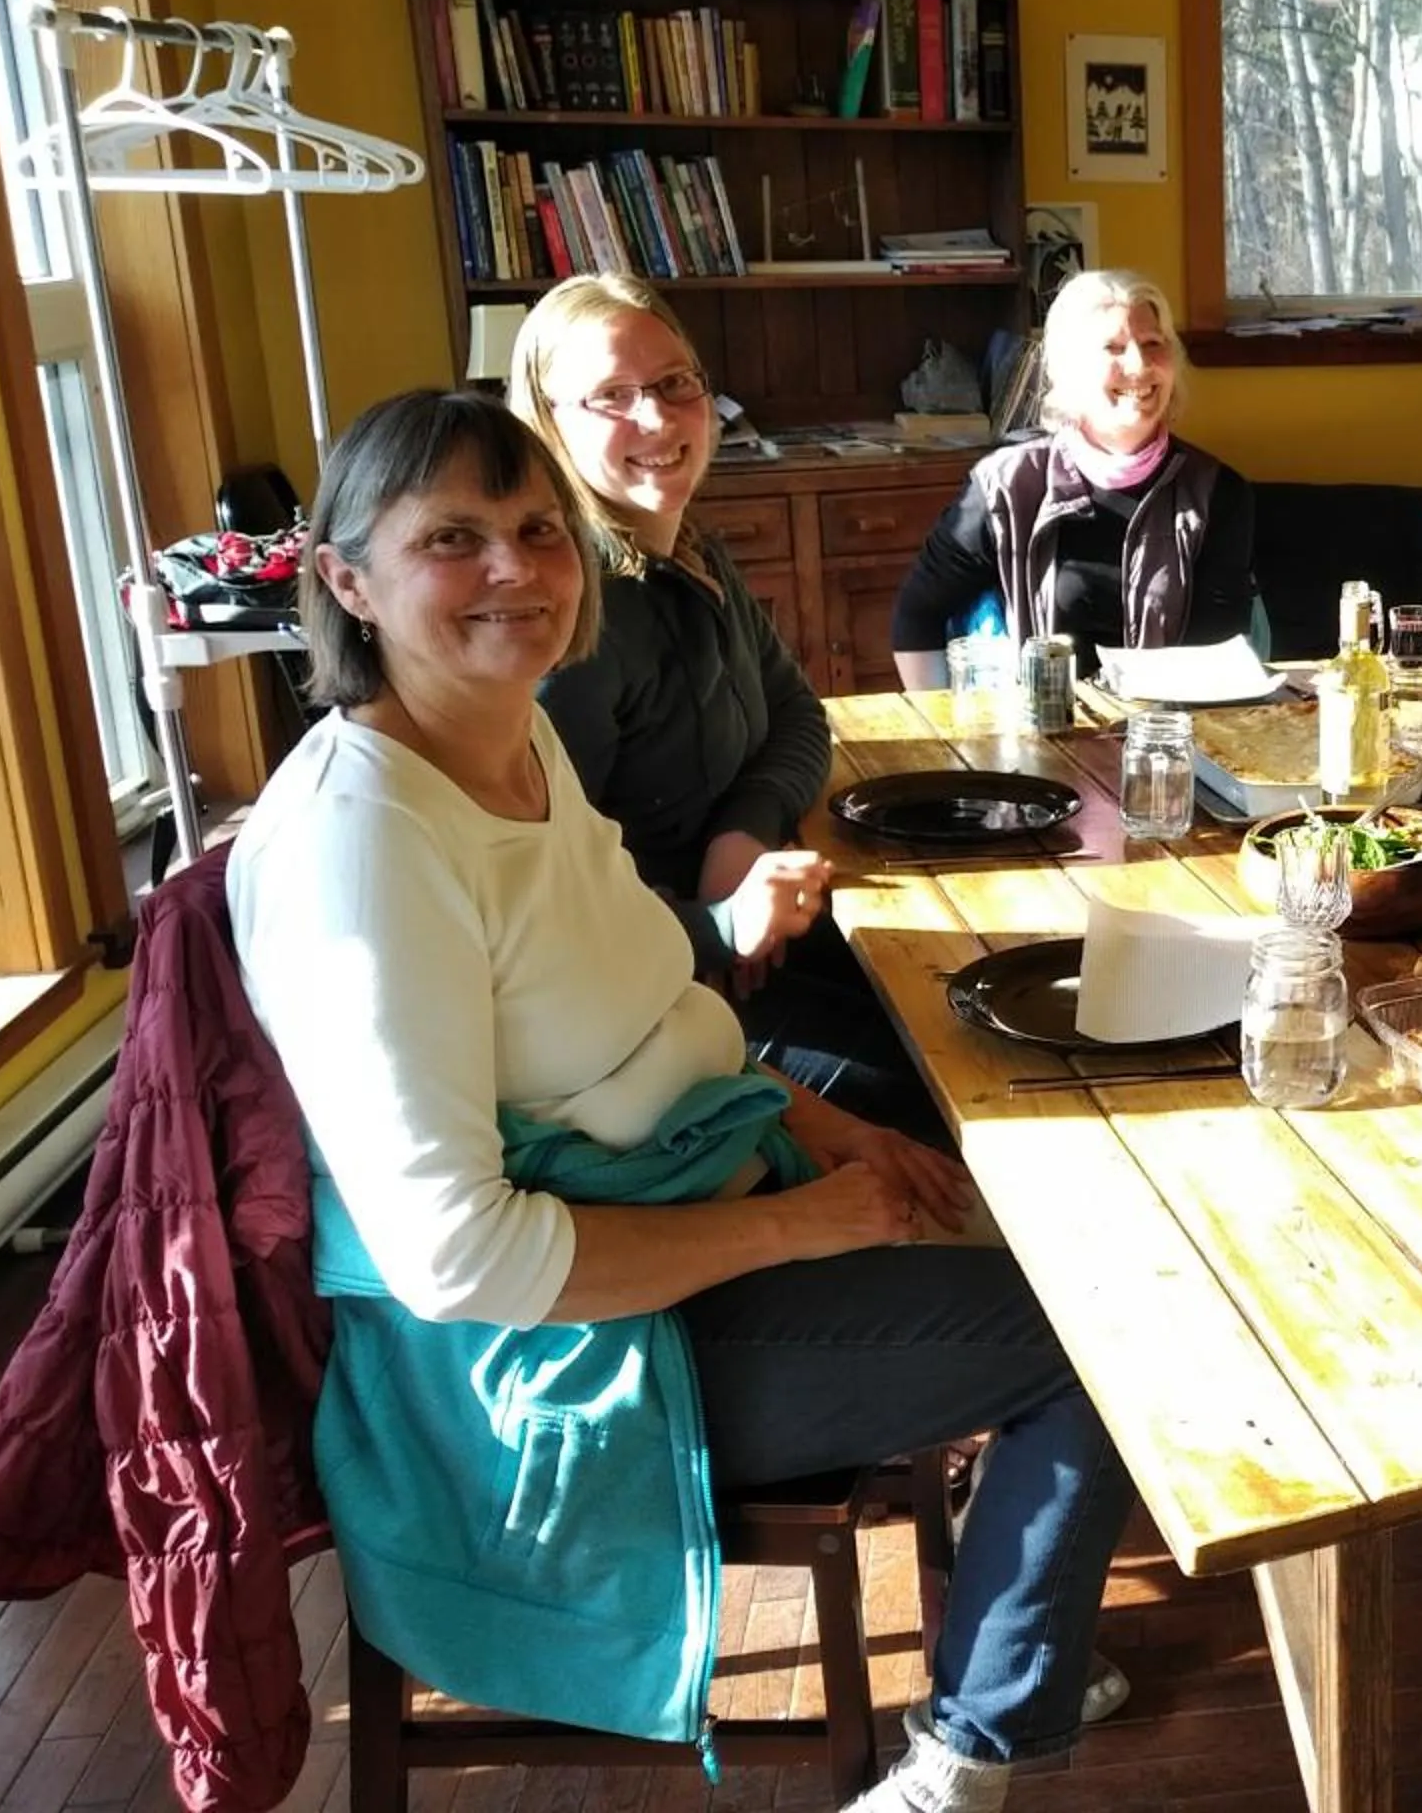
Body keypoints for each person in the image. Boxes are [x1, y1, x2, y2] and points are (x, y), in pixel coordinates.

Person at [228, 391, 1135, 1813]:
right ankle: (972, 1756)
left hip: (686, 1213)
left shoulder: (514, 752)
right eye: (453, 539)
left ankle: (1017, 1591)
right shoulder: (365, 843)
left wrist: (823, 1130)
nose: (519, 570)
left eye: (538, 531)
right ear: (346, 579)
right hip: (548, 1368)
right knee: (1102, 1343)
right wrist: (810, 1227)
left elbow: (655, 1018)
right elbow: (461, 1263)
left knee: (1069, 1223)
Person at [508, 273, 938, 1144]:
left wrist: (739, 836)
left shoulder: (687, 551)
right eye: (612, 398)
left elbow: (799, 717)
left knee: (950, 989)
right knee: (941, 1084)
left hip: (741, 940)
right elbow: (546, 912)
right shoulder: (575, 626)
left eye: (676, 384)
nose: (659, 421)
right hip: (650, 1015)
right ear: (548, 422)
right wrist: (713, 924)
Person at [890, 268, 1255, 686]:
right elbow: (917, 616)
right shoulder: (1005, 487)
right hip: (1036, 736)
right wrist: (947, 737)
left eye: (1154, 343)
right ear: (1069, 368)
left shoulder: (1215, 493)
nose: (1139, 364)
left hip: (1164, 737)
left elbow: (1219, 654)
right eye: (1113, 347)